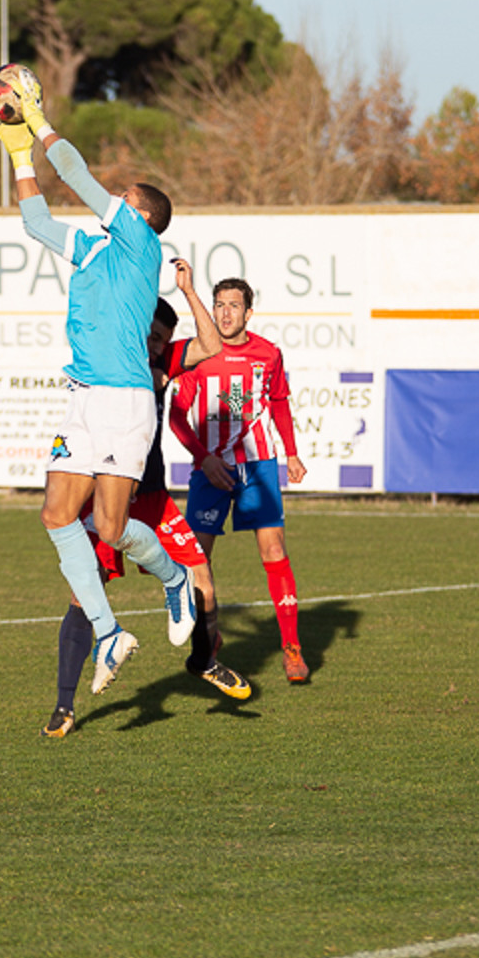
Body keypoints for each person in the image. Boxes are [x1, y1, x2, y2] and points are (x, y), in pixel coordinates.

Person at [0, 73, 195, 700]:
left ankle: (174, 578)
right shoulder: (98, 248)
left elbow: (74, 174)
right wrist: (18, 153)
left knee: (109, 528)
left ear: (142, 215)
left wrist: (39, 120)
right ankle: (108, 632)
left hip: (126, 400)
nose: (116, 200)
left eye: (126, 197)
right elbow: (37, 222)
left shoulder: (140, 246)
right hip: (81, 398)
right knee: (55, 514)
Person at [45, 283, 254, 738]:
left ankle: (204, 662)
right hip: (106, 491)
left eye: (161, 340)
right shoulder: (109, 360)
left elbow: (210, 344)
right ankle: (64, 706)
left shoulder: (163, 364)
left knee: (204, 581)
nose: (154, 346)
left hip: (152, 495)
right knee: (85, 593)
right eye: (150, 336)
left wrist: (190, 292)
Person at [170, 278, 312, 684]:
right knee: (198, 559)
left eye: (233, 305)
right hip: (210, 469)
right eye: (219, 305)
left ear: (249, 313)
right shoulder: (197, 354)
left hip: (258, 467)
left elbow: (280, 400)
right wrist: (204, 457)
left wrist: (291, 452)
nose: (225, 313)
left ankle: (291, 647)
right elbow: (177, 416)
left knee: (274, 550)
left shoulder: (268, 354)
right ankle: (208, 641)